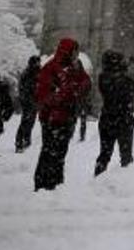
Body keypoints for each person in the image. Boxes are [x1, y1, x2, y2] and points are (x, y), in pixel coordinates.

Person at [33, 38, 92, 191]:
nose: (76, 54)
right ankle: (42, 184)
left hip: (68, 117)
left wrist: (78, 84)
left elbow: (86, 83)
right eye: (75, 51)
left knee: (60, 153)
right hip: (51, 119)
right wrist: (68, 92)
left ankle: (56, 183)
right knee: (49, 152)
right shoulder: (51, 68)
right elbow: (44, 95)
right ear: (68, 51)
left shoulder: (75, 66)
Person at [94, 51, 134, 176]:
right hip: (124, 120)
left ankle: (97, 179)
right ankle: (125, 183)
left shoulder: (103, 77)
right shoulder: (122, 80)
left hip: (107, 120)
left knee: (105, 154)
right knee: (126, 156)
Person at [14, 55, 40, 151]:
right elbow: (22, 88)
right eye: (36, 62)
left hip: (34, 101)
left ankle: (27, 140)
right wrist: (26, 99)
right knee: (25, 121)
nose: (38, 64)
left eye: (39, 62)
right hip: (27, 102)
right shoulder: (26, 73)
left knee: (31, 121)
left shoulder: (39, 72)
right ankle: (19, 142)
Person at [0, 75, 13, 147]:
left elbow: (9, 106)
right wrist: (5, 116)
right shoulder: (2, 88)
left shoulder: (2, 89)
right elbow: (9, 106)